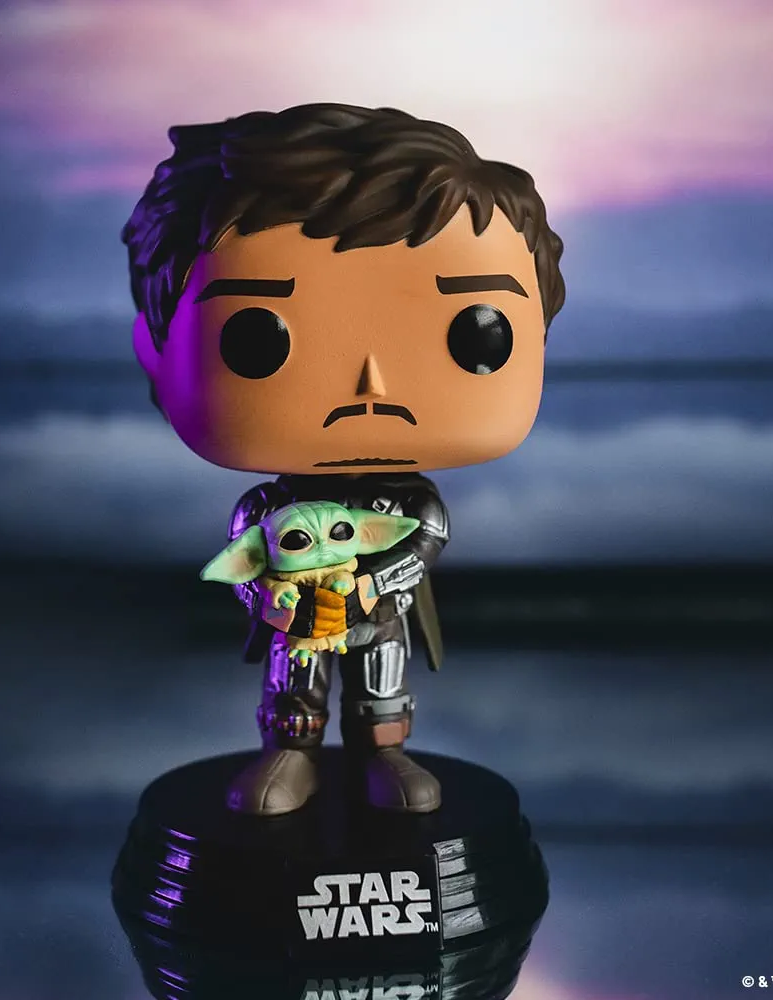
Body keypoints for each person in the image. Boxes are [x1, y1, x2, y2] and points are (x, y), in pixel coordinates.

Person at [122, 104, 565, 816]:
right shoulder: (270, 507)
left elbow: (425, 539)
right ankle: (289, 753)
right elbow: (246, 560)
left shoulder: (409, 504)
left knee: (382, 673)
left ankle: (384, 750)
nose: (371, 386)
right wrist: (273, 599)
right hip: (299, 618)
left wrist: (369, 587)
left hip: (379, 609)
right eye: (256, 337)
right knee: (293, 676)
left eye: (476, 335)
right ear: (155, 349)